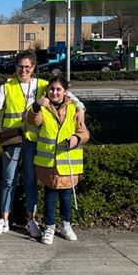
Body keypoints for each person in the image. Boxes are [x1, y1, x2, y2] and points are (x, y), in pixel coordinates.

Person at [0, 50, 86, 237]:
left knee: (31, 181)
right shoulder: (8, 86)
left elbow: (69, 96)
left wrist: (80, 108)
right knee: (8, 180)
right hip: (12, 139)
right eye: (20, 66)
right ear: (15, 67)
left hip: (33, 142)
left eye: (27, 67)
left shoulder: (44, 85)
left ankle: (31, 220)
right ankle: (4, 220)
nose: (24, 70)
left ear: (33, 68)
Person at [26, 75, 89, 245]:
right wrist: (37, 106)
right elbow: (33, 121)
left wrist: (77, 138)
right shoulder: (44, 109)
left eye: (58, 89)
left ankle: (66, 225)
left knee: (67, 196)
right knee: (50, 196)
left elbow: (84, 132)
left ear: (65, 92)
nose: (55, 92)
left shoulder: (73, 109)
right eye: (52, 89)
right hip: (49, 164)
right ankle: (50, 227)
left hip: (68, 164)